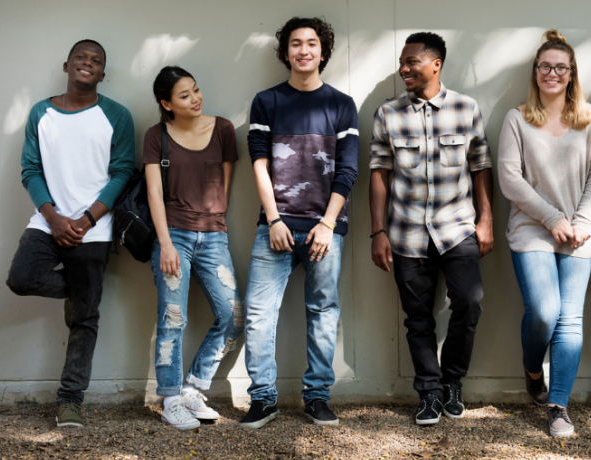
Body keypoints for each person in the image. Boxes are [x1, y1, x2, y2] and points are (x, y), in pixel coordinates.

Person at [6, 39, 134, 427]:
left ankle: (70, 400)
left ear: (102, 74)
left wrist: (88, 219)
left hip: (94, 230)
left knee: (84, 319)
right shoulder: (41, 113)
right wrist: (54, 217)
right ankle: (78, 293)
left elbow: (123, 170)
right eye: (81, 57)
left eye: (96, 61)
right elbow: (30, 169)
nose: (87, 63)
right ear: (67, 65)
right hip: (48, 223)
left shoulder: (117, 115)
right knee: (21, 278)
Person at [369, 32, 494, 425]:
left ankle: (453, 382)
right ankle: (429, 390)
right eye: (402, 63)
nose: (403, 69)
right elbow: (379, 174)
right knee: (417, 318)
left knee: (469, 302)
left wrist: (486, 218)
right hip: (406, 232)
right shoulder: (388, 113)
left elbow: (480, 166)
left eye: (411, 62)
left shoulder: (465, 107)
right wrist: (378, 232)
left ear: (435, 63)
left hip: (458, 228)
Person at [240, 16, 359, 428]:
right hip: (276, 225)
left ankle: (317, 397)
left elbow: (347, 171)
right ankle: (263, 398)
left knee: (323, 310)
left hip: (325, 228)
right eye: (295, 43)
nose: (303, 50)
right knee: (258, 312)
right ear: (285, 51)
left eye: (311, 43)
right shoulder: (267, 101)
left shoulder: (341, 104)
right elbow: (259, 164)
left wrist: (327, 225)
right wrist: (273, 219)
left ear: (322, 51)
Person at [498, 30, 591, 437]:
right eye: (545, 66)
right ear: (536, 71)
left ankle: (558, 406)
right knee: (545, 311)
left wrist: (580, 221)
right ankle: (532, 369)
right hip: (532, 229)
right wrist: (551, 218)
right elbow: (510, 179)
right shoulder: (518, 118)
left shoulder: (588, 117)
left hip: (580, 232)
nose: (552, 73)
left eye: (560, 67)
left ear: (571, 73)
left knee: (570, 321)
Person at [144, 66, 243, 431]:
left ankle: (193, 388)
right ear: (166, 103)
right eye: (184, 96)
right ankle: (170, 398)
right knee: (173, 318)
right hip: (173, 235)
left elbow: (225, 185)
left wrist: (215, 223)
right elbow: (154, 191)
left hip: (213, 236)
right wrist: (166, 244)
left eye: (196, 90)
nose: (195, 99)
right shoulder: (157, 136)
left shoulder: (223, 129)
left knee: (233, 316)